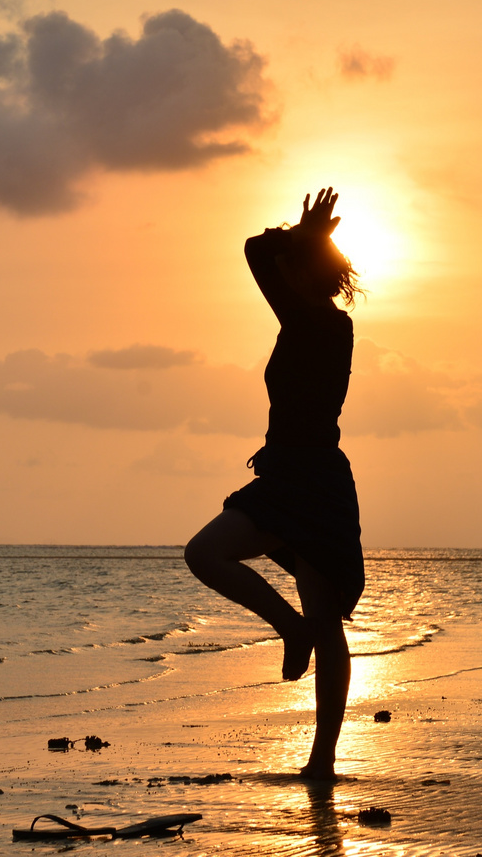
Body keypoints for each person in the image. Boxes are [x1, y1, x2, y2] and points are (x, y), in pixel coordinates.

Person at [183, 186, 364, 781]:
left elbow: (259, 251)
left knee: (327, 622)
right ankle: (289, 628)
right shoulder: (300, 315)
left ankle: (322, 761)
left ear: (314, 275)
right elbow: (259, 250)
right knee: (204, 553)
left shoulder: (325, 325)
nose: (283, 273)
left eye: (298, 265)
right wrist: (308, 237)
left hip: (316, 483)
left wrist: (309, 238)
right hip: (283, 475)